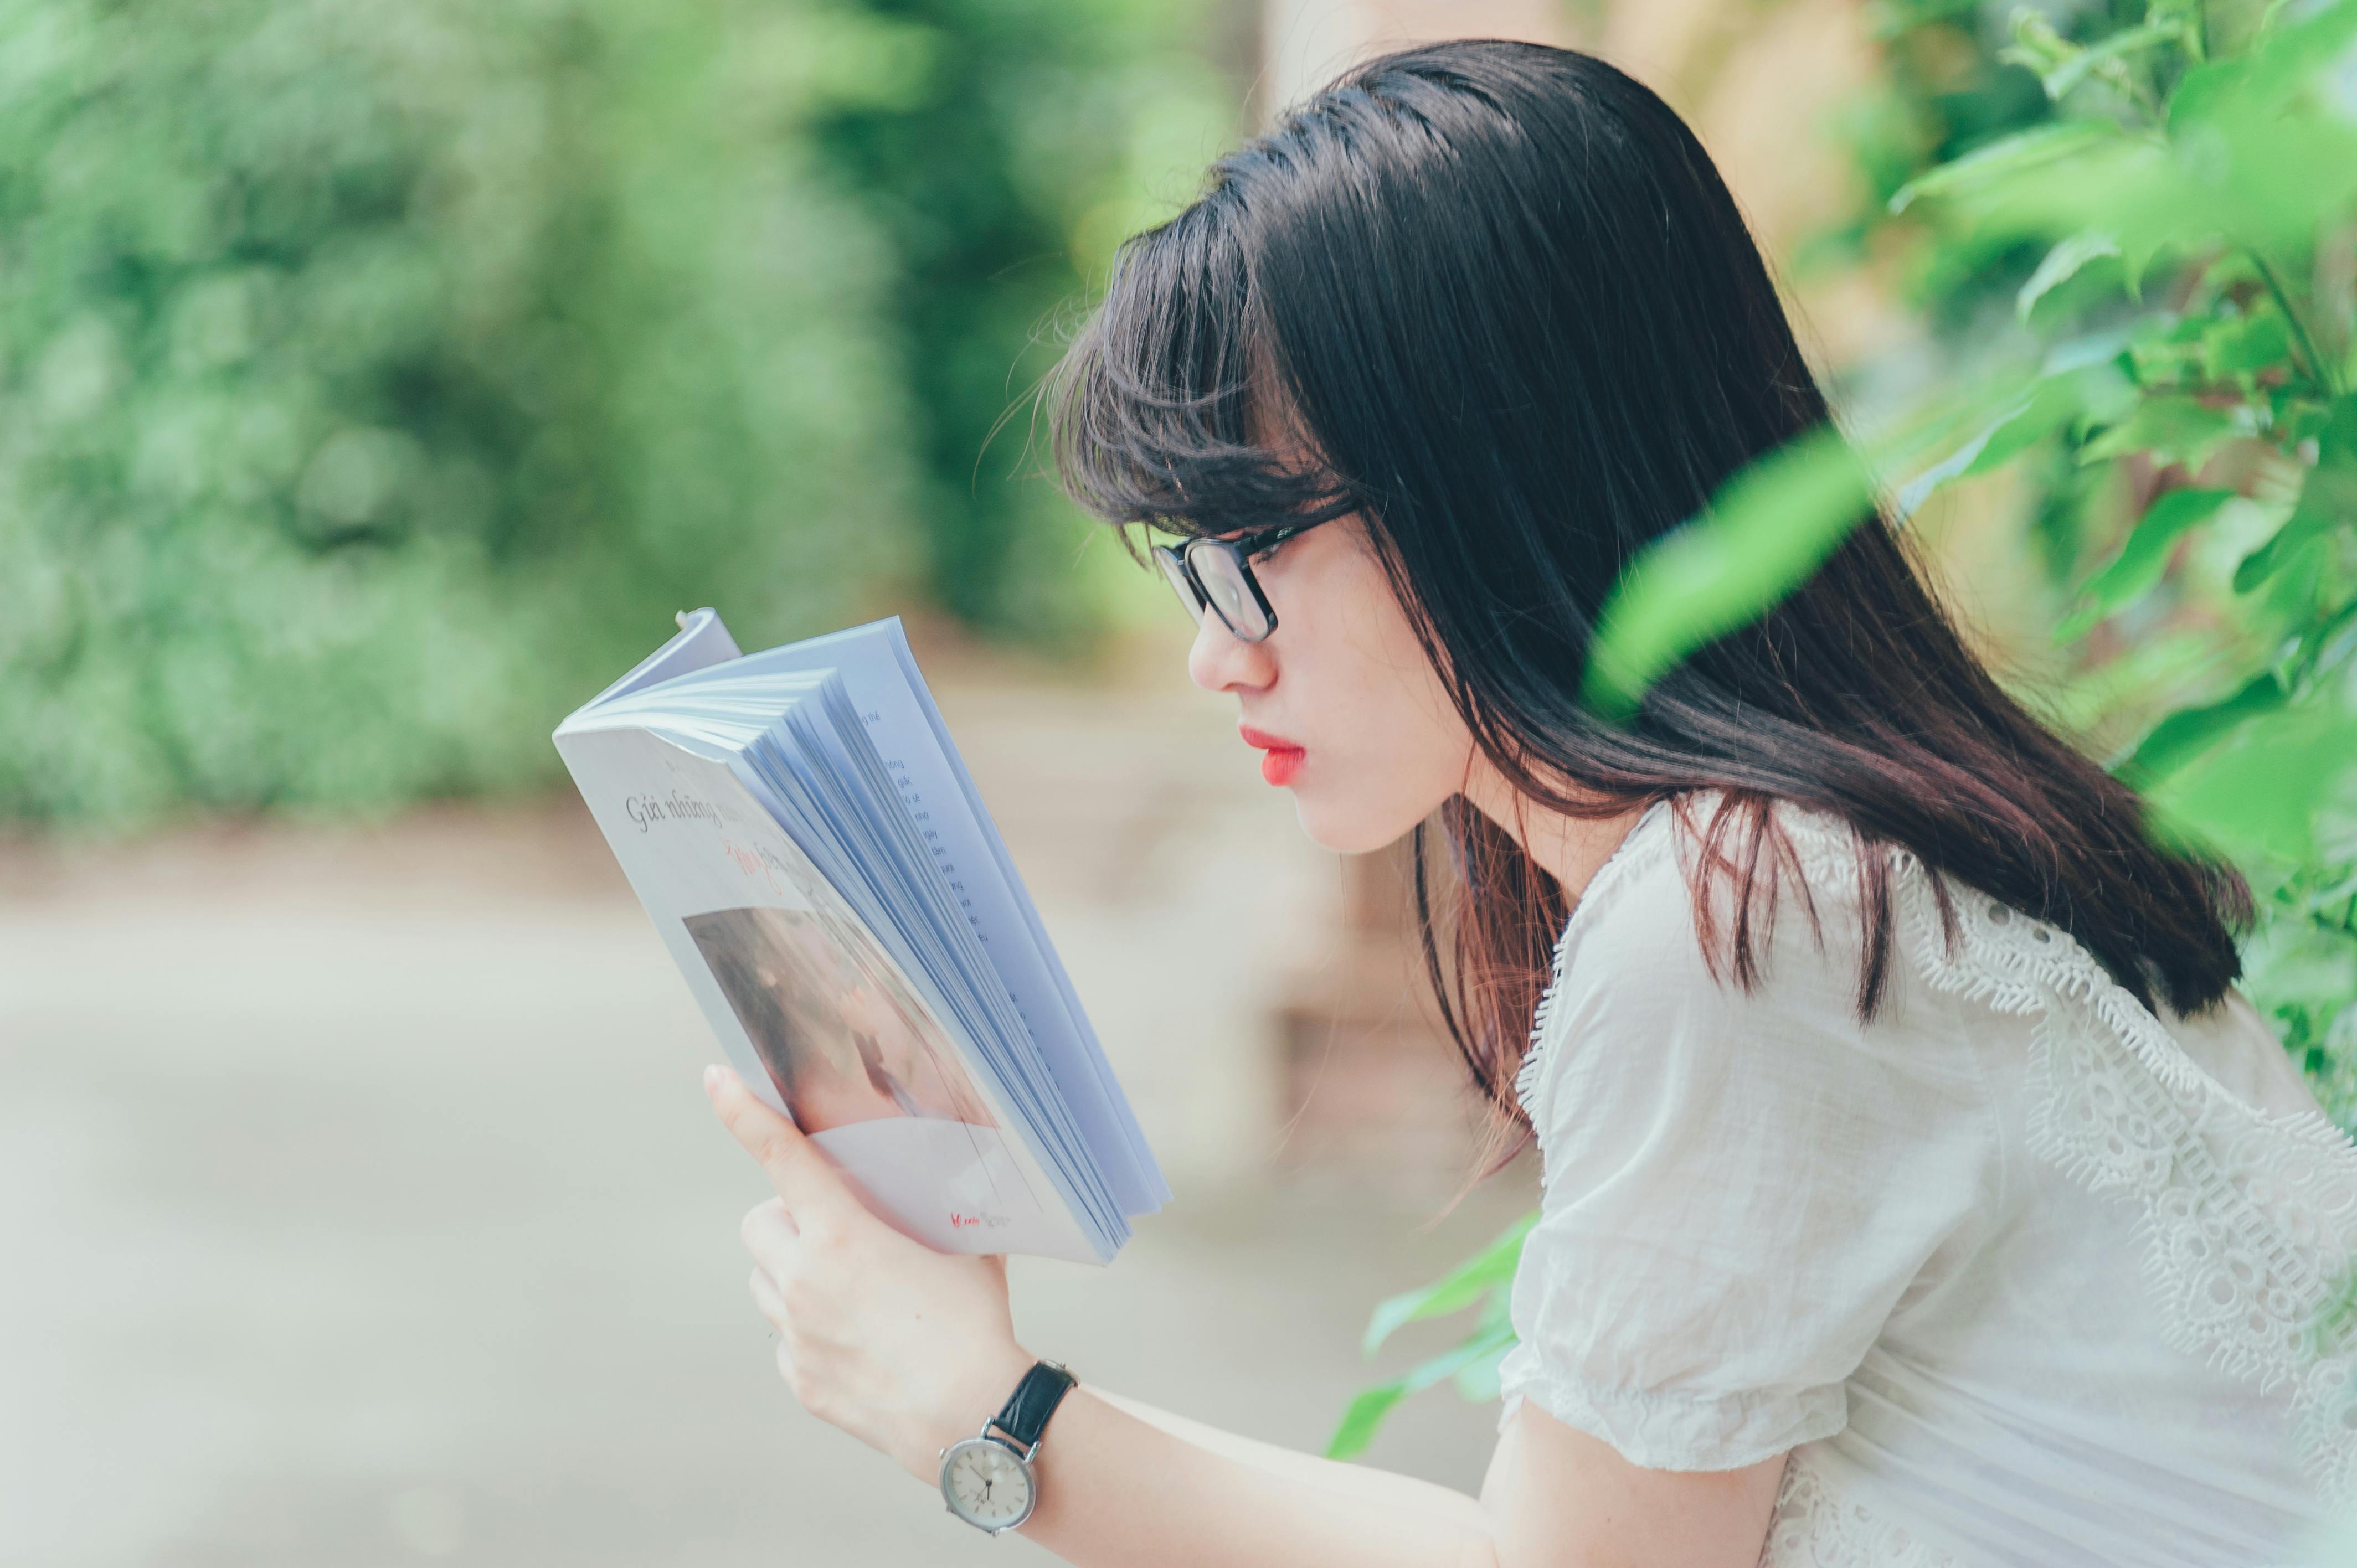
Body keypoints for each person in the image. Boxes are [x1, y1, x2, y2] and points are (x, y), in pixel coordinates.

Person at [699, 39, 2357, 1567]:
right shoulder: (1842, 856)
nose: (1215, 659)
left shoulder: (1745, 922)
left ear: (1500, 475)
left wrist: (982, 1419)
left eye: (1245, 555)